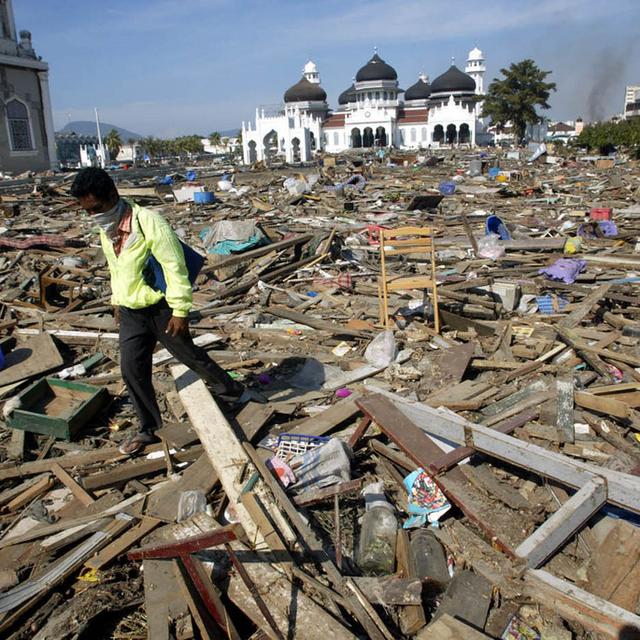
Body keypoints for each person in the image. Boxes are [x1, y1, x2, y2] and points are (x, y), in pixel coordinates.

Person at [70, 168, 244, 455]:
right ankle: (148, 428)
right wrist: (116, 300)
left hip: (161, 307)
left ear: (113, 196)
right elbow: (116, 268)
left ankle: (231, 391)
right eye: (87, 211)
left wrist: (180, 310)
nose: (93, 216)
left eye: (97, 209)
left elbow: (174, 267)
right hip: (130, 311)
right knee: (132, 369)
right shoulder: (107, 229)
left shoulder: (149, 223)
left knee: (188, 354)